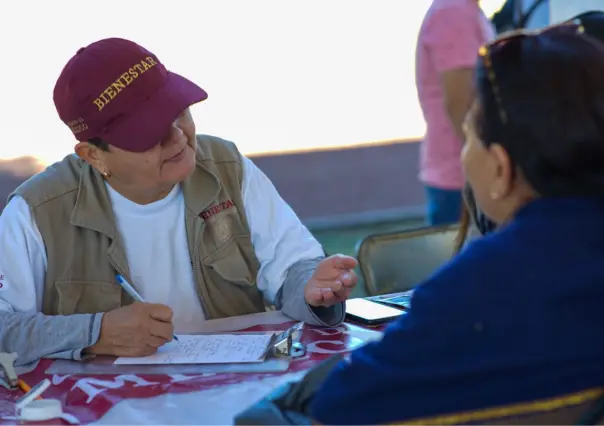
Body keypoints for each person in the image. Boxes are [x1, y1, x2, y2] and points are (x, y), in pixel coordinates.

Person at [311, 21, 604, 424]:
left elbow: (339, 406)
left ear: (500, 167)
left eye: (468, 136)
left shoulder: (483, 284)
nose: (465, 155)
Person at [0, 38, 358, 366]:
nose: (178, 139)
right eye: (148, 133)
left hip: (234, 396)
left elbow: (294, 271)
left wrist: (312, 289)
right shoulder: (36, 212)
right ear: (93, 155)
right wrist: (94, 334)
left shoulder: (226, 167)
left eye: (179, 113)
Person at [415, 0, 495, 225]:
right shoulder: (454, 12)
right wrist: (489, 167)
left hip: (463, 173)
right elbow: (460, 102)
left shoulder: (463, 10)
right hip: (462, 177)